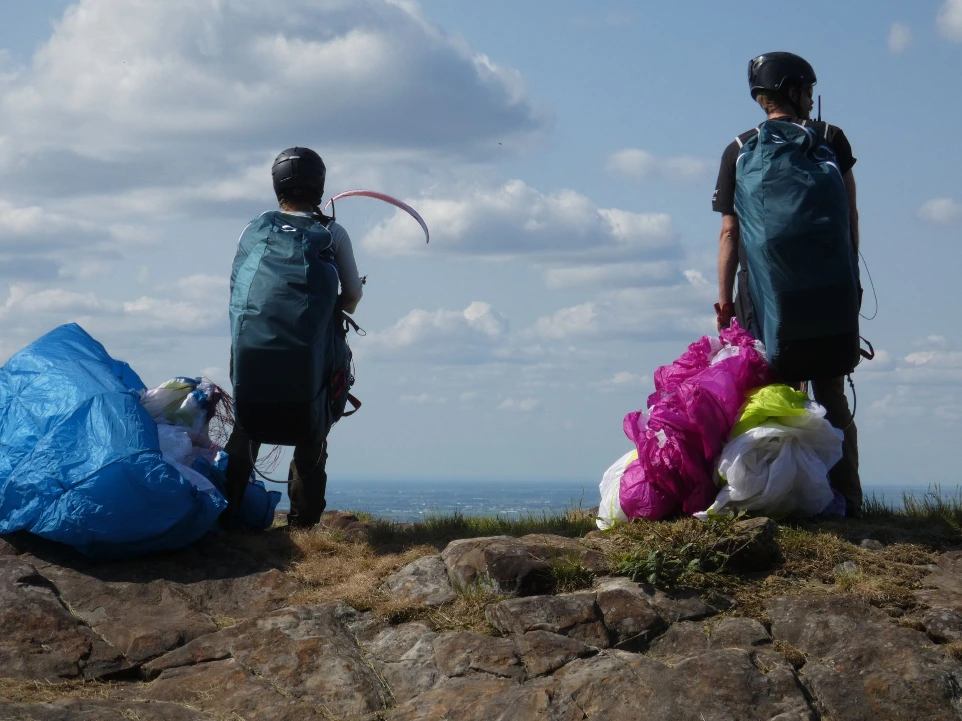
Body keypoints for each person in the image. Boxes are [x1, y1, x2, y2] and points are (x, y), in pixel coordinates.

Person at [712, 52, 862, 516]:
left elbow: (730, 234)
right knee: (832, 394)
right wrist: (848, 280)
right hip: (830, 290)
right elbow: (849, 216)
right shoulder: (830, 138)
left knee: (780, 393)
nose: (812, 100)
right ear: (794, 91)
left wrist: (724, 302)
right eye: (808, 91)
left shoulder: (738, 149)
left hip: (764, 293)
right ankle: (851, 499)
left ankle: (787, 499)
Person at [222, 147, 363, 529]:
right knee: (312, 427)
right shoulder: (332, 232)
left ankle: (226, 514)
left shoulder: (254, 228)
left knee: (247, 427)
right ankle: (303, 523)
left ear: (276, 185)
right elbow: (352, 294)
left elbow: (237, 287)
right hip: (310, 352)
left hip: (252, 348)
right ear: (319, 186)